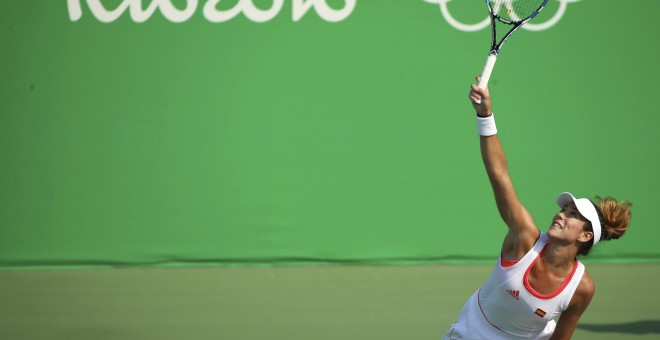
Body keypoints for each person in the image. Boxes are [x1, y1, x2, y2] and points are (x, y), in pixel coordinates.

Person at [442, 78, 633, 340]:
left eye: (572, 215)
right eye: (564, 209)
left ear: (585, 236)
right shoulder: (524, 238)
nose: (561, 214)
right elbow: (499, 176)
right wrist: (485, 115)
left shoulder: (582, 288)